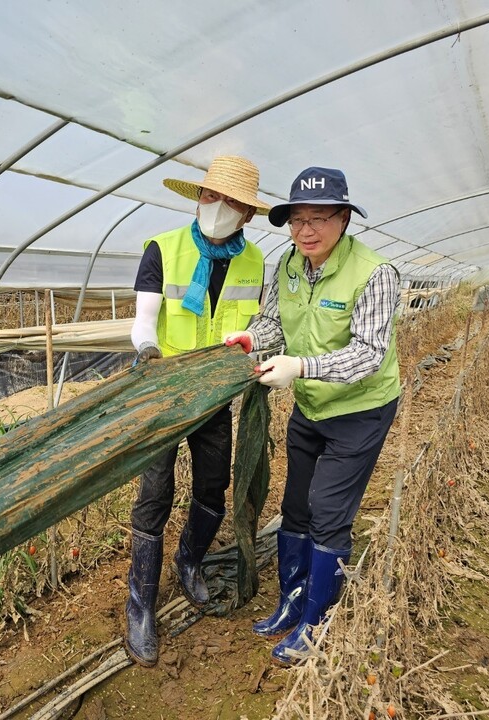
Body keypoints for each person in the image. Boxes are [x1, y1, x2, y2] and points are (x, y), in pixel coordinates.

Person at [224, 166, 400, 665]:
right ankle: (292, 600)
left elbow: (367, 354)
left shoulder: (375, 273)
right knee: (295, 505)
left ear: (344, 218)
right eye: (297, 219)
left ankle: (317, 620)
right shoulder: (289, 264)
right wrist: (252, 339)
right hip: (311, 404)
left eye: (318, 218)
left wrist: (301, 366)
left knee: (327, 512)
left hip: (361, 410)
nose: (306, 230)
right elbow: (275, 323)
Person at [124, 155, 270, 667]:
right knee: (155, 492)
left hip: (214, 394)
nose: (215, 207)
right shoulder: (163, 249)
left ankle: (190, 562)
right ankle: (140, 604)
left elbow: (255, 328)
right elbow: (143, 322)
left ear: (246, 214)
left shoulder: (254, 262)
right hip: (164, 392)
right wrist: (148, 353)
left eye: (228, 201)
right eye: (209, 196)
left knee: (212, 484)